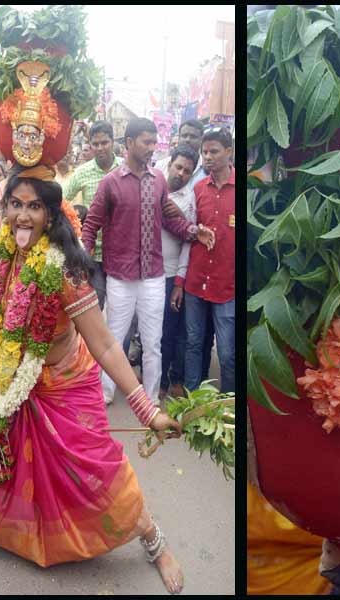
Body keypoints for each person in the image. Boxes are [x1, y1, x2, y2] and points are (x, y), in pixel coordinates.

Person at [0, 162, 186, 593]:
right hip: (11, 375)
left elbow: (108, 346)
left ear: (51, 215)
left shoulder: (66, 274)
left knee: (97, 471)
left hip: (63, 384)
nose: (23, 215)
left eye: (34, 207)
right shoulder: (3, 234)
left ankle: (153, 539)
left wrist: (147, 410)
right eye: (16, 204)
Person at [81, 118, 215, 407]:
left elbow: (170, 217)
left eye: (155, 142)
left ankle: (150, 398)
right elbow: (91, 225)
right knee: (114, 340)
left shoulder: (158, 180)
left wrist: (194, 231)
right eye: (147, 142)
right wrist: (80, 263)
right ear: (129, 143)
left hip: (154, 276)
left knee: (153, 342)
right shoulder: (110, 183)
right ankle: (105, 392)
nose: (153, 148)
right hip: (120, 276)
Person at [183, 127, 234, 393]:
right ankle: (192, 400)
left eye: (214, 151)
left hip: (227, 286)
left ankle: (228, 406)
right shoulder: (198, 188)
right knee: (193, 343)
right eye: (205, 152)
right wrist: (195, 233)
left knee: (226, 353)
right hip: (196, 281)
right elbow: (186, 229)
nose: (207, 157)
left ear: (229, 152)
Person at [160, 144, 211, 401]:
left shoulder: (188, 200)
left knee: (171, 332)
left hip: (171, 275)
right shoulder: (153, 188)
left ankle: (170, 380)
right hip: (146, 274)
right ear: (169, 165)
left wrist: (179, 282)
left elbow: (187, 245)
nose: (181, 173)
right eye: (178, 167)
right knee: (150, 333)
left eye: (187, 171)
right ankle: (154, 382)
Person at [61, 121, 123, 309]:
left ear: (113, 142)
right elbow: (61, 201)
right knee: (95, 306)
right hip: (93, 252)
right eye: (95, 144)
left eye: (104, 142)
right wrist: (75, 220)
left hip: (121, 253)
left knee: (121, 310)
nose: (100, 148)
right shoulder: (82, 172)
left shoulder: (125, 168)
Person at [154, 119, 207, 190]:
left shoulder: (206, 170)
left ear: (201, 140)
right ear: (179, 138)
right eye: (184, 136)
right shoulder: (161, 165)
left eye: (193, 136)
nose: (188, 140)